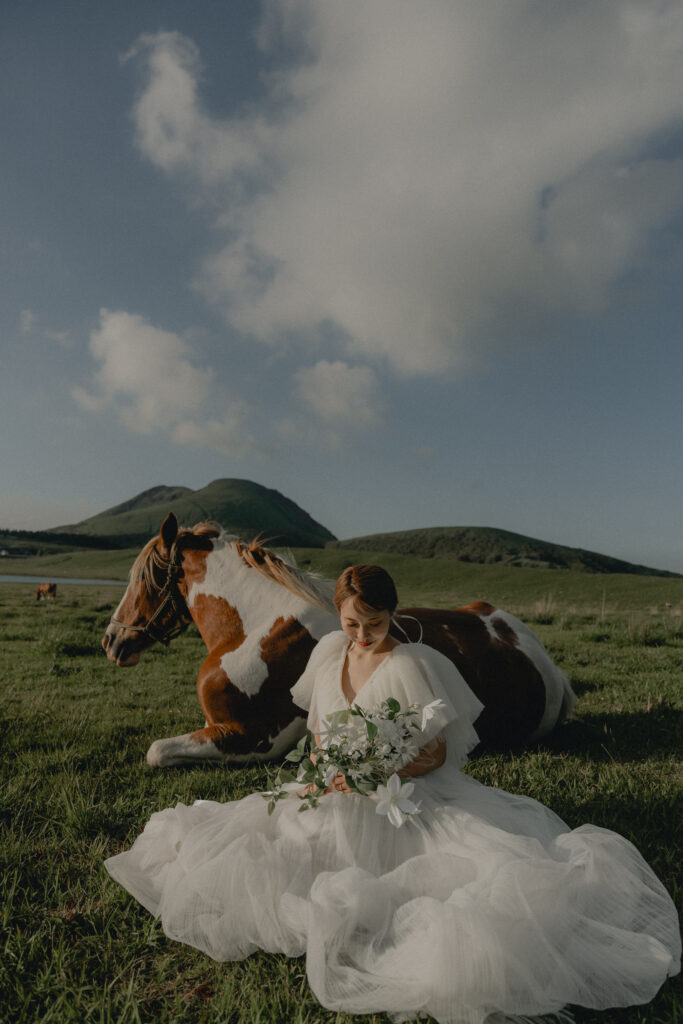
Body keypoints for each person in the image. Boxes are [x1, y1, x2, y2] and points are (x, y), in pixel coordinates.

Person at [105, 564, 680, 1024]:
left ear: (391, 616)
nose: (361, 635)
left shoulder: (411, 665)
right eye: (353, 623)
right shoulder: (330, 653)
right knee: (254, 842)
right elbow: (321, 728)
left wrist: (375, 773)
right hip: (331, 786)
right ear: (341, 615)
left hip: (401, 795)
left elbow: (436, 753)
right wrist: (328, 765)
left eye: (373, 625)